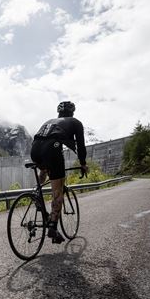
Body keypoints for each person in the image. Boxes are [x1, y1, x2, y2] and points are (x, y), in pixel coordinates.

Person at [30, 101, 88, 244]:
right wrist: (83, 163)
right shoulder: (75, 122)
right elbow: (80, 145)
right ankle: (53, 227)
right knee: (58, 193)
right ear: (72, 112)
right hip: (52, 149)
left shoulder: (49, 122)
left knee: (44, 167)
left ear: (59, 113)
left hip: (35, 150)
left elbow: (40, 138)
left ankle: (37, 193)